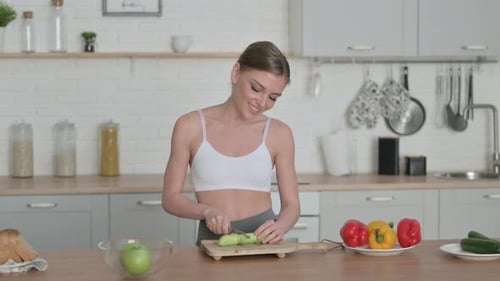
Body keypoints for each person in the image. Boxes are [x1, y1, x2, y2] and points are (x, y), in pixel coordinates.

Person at [162, 41, 300, 245]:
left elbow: (292, 205)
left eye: (272, 97)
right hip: (212, 243)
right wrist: (207, 211)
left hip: (263, 243)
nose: (261, 103)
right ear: (236, 73)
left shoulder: (280, 133)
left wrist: (280, 226)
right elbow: (170, 198)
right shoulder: (190, 126)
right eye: (256, 88)